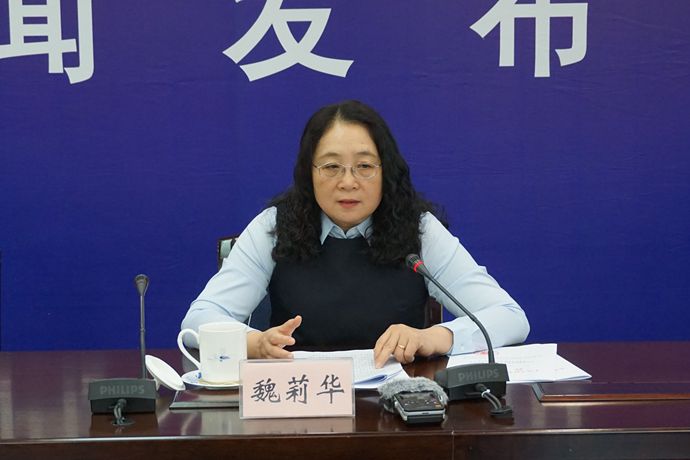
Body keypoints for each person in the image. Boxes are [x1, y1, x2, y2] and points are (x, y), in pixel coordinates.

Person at [181, 100, 529, 368]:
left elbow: (509, 317)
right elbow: (199, 320)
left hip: (399, 407)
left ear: (385, 171)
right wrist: (255, 344)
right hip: (297, 404)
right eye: (332, 167)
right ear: (309, 173)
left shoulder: (418, 228)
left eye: (364, 166)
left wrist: (435, 337)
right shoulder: (275, 226)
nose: (348, 182)